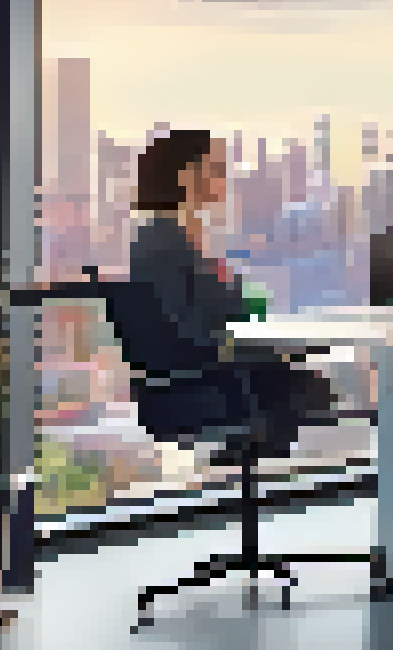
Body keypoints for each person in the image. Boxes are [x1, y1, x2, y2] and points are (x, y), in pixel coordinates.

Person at [128, 130, 334, 462]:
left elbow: (220, 308)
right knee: (310, 387)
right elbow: (191, 329)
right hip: (207, 388)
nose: (225, 179)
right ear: (187, 177)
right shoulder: (166, 245)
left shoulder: (165, 239)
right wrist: (266, 344)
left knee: (308, 384)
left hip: (195, 384)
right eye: (216, 169)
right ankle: (255, 455)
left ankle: (255, 457)